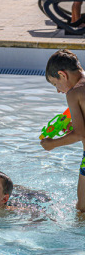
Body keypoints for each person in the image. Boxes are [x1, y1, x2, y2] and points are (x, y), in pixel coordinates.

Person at [40, 49, 85, 212]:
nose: (58, 90)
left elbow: (81, 134)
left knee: (82, 208)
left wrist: (52, 144)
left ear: (63, 75)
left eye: (55, 83)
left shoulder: (74, 93)